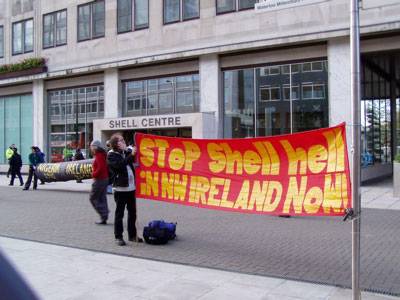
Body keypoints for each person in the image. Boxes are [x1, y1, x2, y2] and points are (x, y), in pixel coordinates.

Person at [107, 133, 143, 246]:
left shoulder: (126, 152)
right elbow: (120, 165)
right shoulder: (111, 155)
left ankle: (132, 235)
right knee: (120, 214)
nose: (124, 142)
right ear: (115, 144)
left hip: (131, 188)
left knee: (132, 213)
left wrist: (134, 151)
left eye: (123, 140)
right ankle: (118, 237)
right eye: (121, 141)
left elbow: (134, 157)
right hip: (120, 189)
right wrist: (131, 154)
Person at [89, 141, 109, 225]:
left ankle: (103, 213)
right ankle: (104, 215)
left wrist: (93, 174)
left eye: (91, 146)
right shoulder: (102, 154)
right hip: (104, 179)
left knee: (93, 198)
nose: (91, 148)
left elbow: (100, 168)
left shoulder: (99, 155)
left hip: (99, 179)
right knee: (101, 197)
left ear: (95, 147)